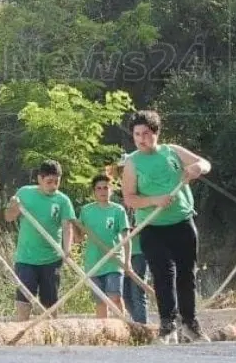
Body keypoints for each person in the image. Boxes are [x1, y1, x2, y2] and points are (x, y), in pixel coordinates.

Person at [121, 109, 211, 344]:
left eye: (146, 133)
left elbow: (205, 163)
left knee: (186, 273)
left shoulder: (172, 151)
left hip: (182, 222)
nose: (141, 139)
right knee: (163, 273)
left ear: (156, 133)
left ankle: (190, 323)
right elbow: (129, 198)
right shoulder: (132, 163)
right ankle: (167, 323)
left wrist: (197, 168)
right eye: (137, 134)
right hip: (152, 226)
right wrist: (153, 200)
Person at [5, 159, 76, 321]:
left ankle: (50, 338)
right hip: (26, 258)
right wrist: (14, 208)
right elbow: (9, 217)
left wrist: (67, 250)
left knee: (50, 303)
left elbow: (67, 227)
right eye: (49, 182)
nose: (53, 186)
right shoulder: (24, 193)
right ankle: (21, 334)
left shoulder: (63, 200)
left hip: (52, 259)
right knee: (24, 300)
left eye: (56, 182)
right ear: (39, 179)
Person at [76, 174, 130, 318]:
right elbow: (78, 238)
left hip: (114, 261)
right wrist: (73, 226)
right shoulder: (86, 211)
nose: (102, 191)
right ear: (94, 192)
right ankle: (104, 333)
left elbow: (126, 237)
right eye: (98, 188)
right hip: (94, 262)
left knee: (115, 297)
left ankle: (123, 329)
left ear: (110, 190)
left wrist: (127, 261)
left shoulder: (118, 210)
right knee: (100, 301)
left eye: (105, 188)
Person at [117, 155, 149, 325]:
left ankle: (143, 327)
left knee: (138, 291)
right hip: (121, 251)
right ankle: (136, 325)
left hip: (139, 251)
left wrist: (135, 229)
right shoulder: (118, 199)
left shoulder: (142, 194)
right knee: (125, 293)